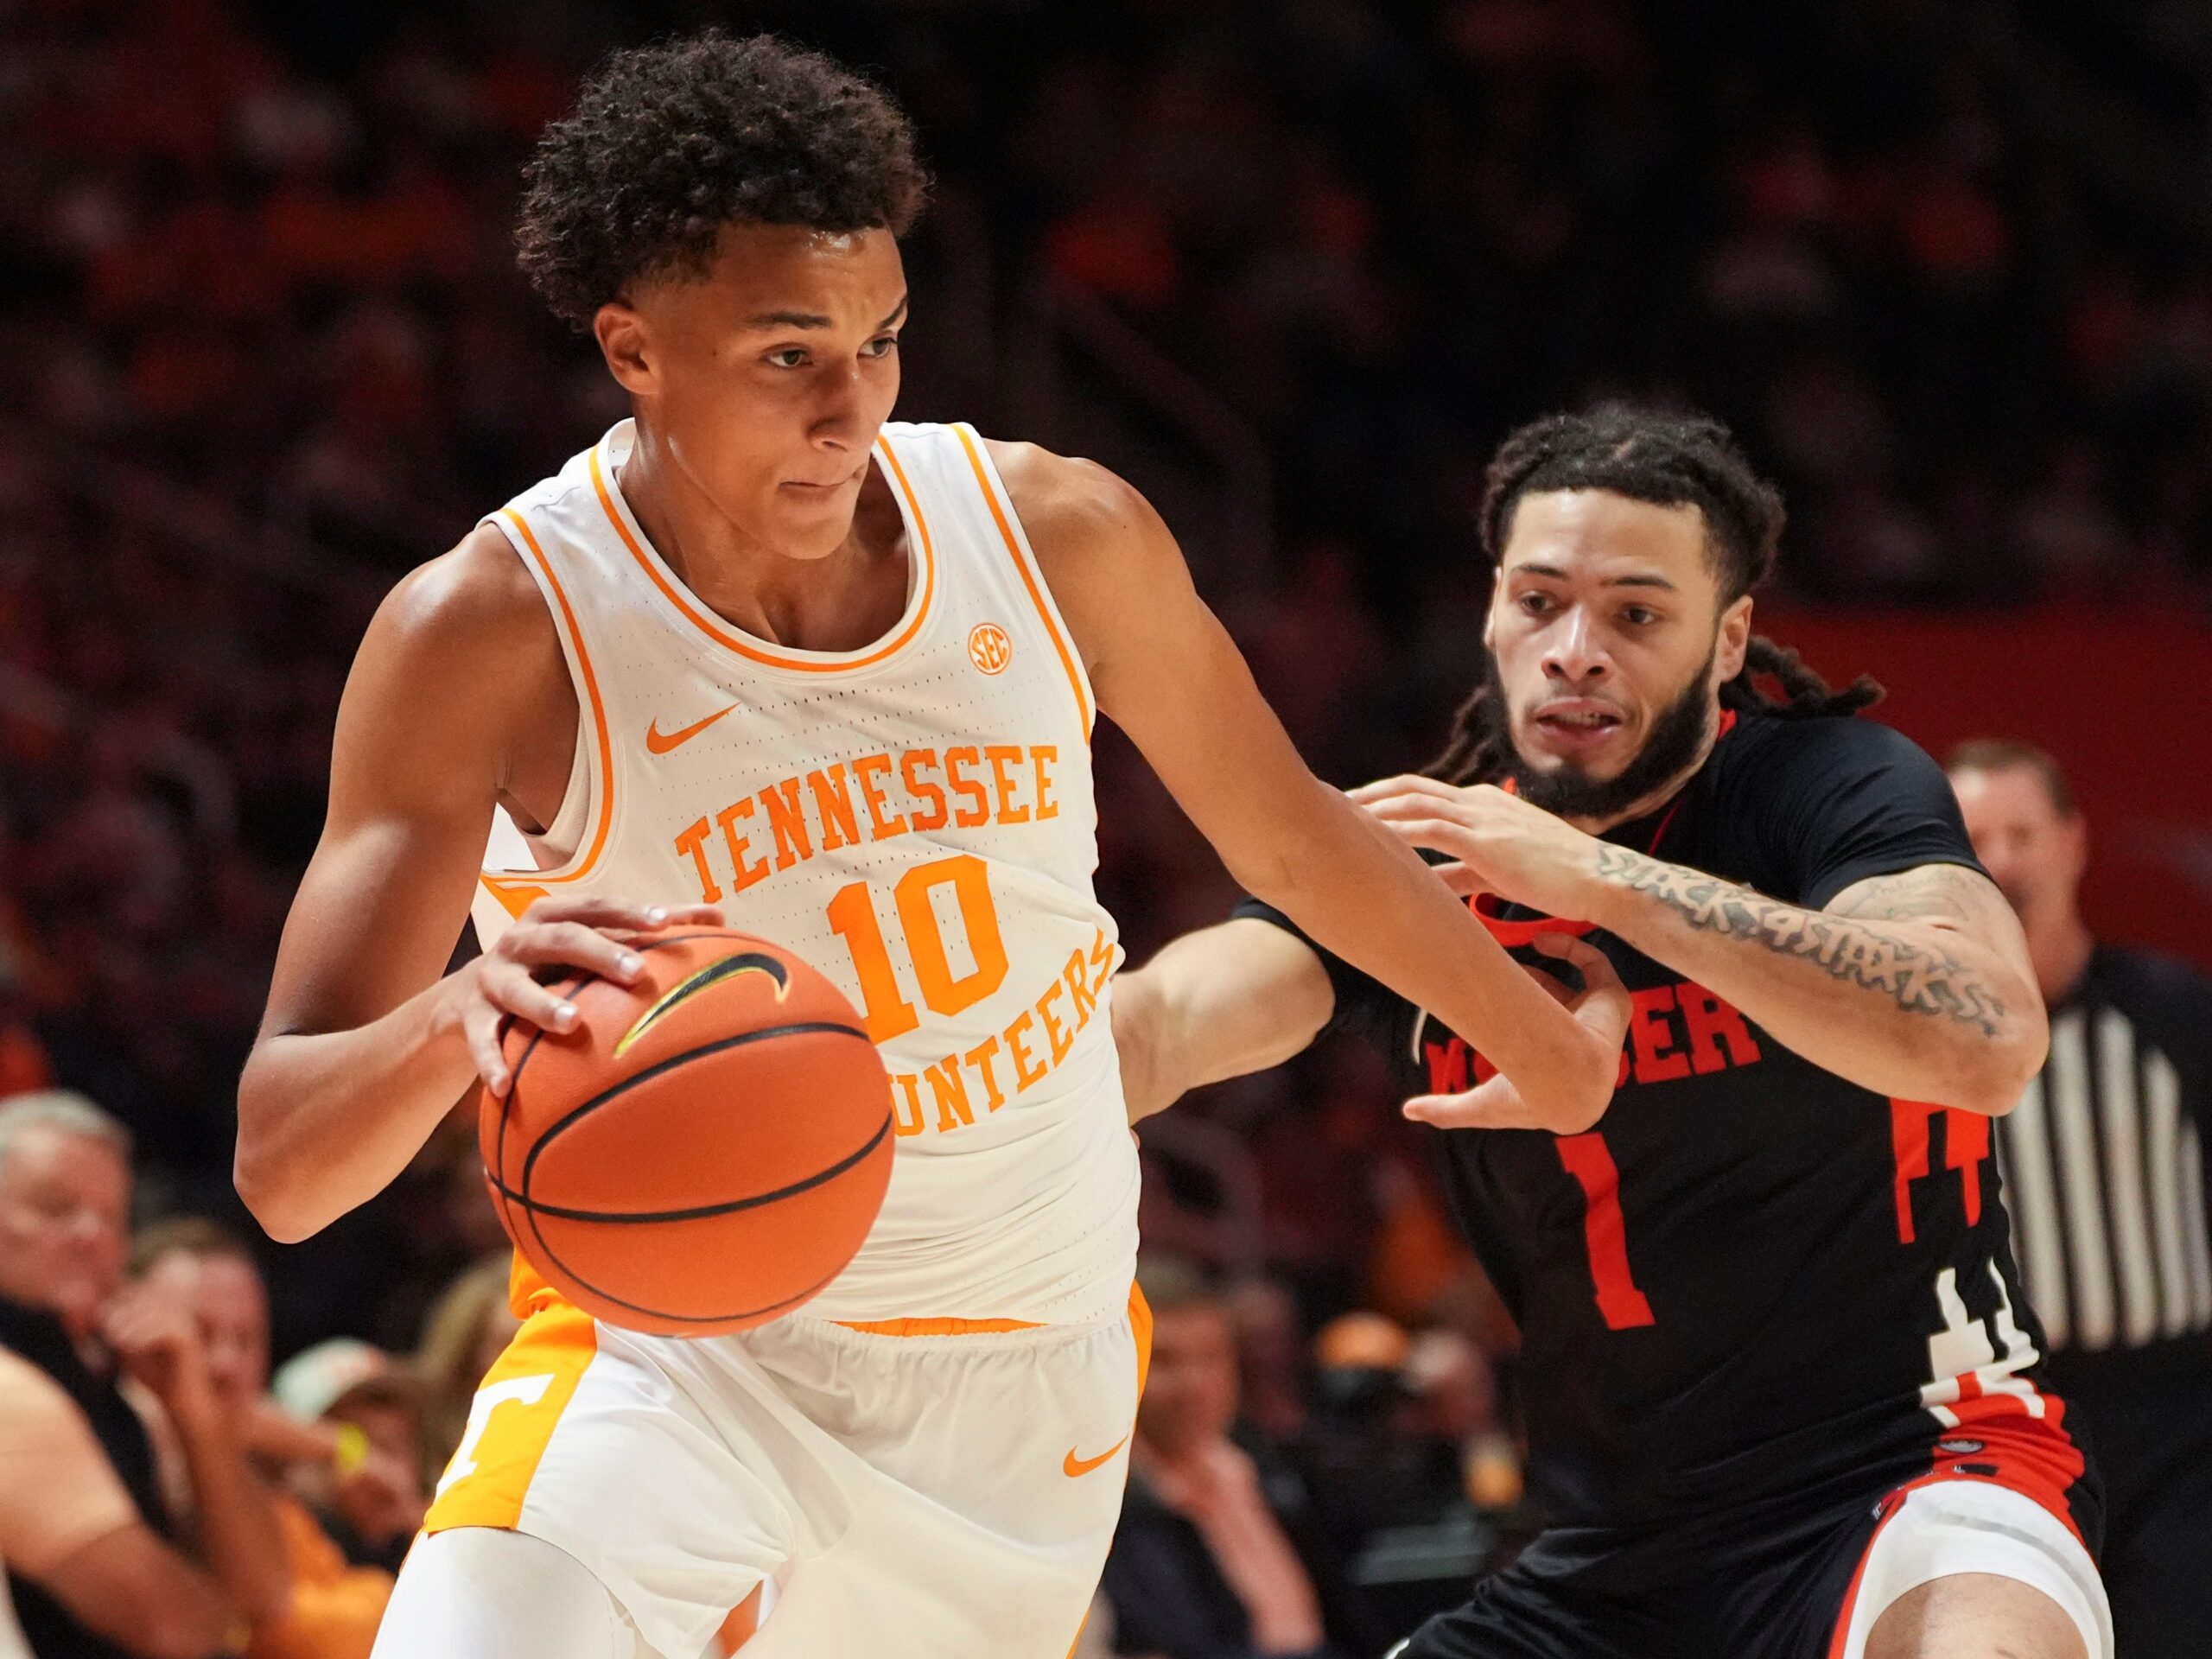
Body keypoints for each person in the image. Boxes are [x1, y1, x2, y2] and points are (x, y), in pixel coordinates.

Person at [228, 32, 1623, 1659]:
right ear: (632, 349)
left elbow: (1299, 843)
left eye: (880, 341)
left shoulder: (1054, 532)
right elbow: (283, 1170)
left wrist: (1556, 1056)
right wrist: (450, 1019)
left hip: (1025, 1388)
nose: (851, 409)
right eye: (787, 355)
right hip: (677, 1361)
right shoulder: (493, 629)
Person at [1111, 404, 2112, 1659]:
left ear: (1728, 637)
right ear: (1491, 613)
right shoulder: (1421, 852)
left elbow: (1989, 1036)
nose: (1575, 652)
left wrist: (1606, 882)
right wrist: (978, 1066)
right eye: (1539, 603)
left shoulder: (1827, 786)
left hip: (1915, 1474)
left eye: (1636, 615)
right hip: (1607, 1557)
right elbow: (1169, 1018)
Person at [1948, 740, 2212, 1659]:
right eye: (1975, 839)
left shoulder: (2173, 1013)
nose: (2003, 863)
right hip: (2008, 1426)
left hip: (2180, 1428)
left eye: (2022, 834)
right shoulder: (1917, 1044)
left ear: (2073, 843)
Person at [0, 1093, 289, 1657]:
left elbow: (266, 1598)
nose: (91, 1234)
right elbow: (182, 1630)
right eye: (55, 1207)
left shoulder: (117, 1387)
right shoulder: (12, 1388)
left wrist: (193, 1410)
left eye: (111, 1216)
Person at [131, 1220, 407, 1659]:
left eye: (246, 1339)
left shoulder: (266, 1467)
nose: (225, 1362)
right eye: (199, 1332)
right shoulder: (113, 1429)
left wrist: (346, 1448)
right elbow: (279, 1618)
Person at [1098, 1256, 1382, 1659]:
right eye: (1163, 1360)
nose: (1195, 1383)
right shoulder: (1106, 1507)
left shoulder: (1268, 1470)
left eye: (1211, 1357)